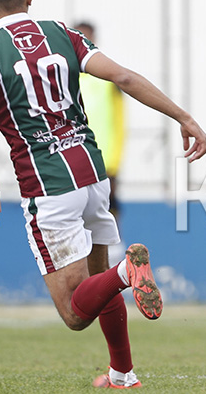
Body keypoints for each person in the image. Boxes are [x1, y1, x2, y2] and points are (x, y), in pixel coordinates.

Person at [0, 0, 206, 388]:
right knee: (97, 284)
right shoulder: (63, 34)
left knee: (76, 313)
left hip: (48, 186)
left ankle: (125, 274)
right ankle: (122, 374)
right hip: (93, 174)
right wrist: (183, 117)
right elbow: (125, 77)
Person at [75, 22, 127, 265]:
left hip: (104, 156)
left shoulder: (108, 78)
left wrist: (115, 159)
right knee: (77, 210)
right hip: (74, 156)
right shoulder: (64, 77)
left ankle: (114, 257)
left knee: (106, 208)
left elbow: (119, 118)